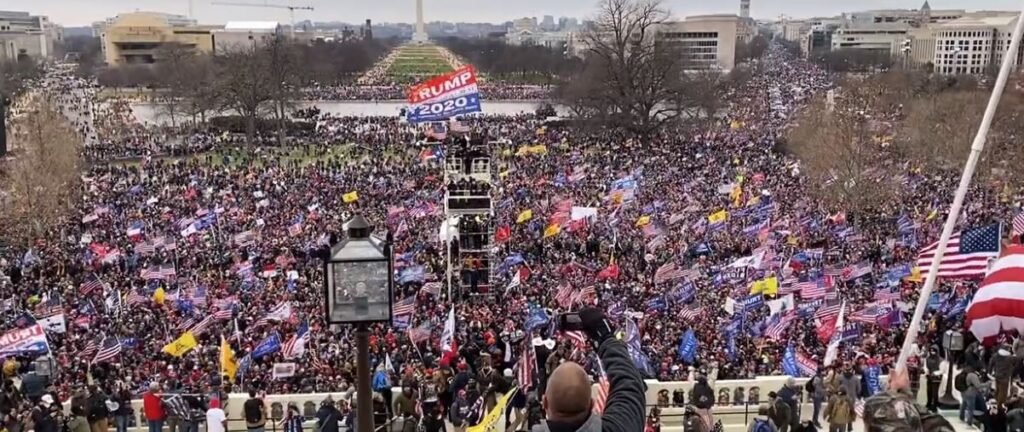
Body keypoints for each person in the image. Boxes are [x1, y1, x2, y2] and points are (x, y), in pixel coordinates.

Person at [531, 308, 645, 432]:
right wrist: (606, 338)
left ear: (545, 402)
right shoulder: (621, 428)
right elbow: (629, 384)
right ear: (592, 404)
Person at [924, 347, 942, 412]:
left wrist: (935, 373)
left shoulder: (940, 360)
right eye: (931, 351)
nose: (932, 352)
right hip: (929, 377)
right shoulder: (927, 359)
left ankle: (934, 406)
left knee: (935, 393)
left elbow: (942, 370)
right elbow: (925, 366)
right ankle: (928, 404)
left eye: (933, 351)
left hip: (936, 378)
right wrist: (926, 371)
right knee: (929, 391)